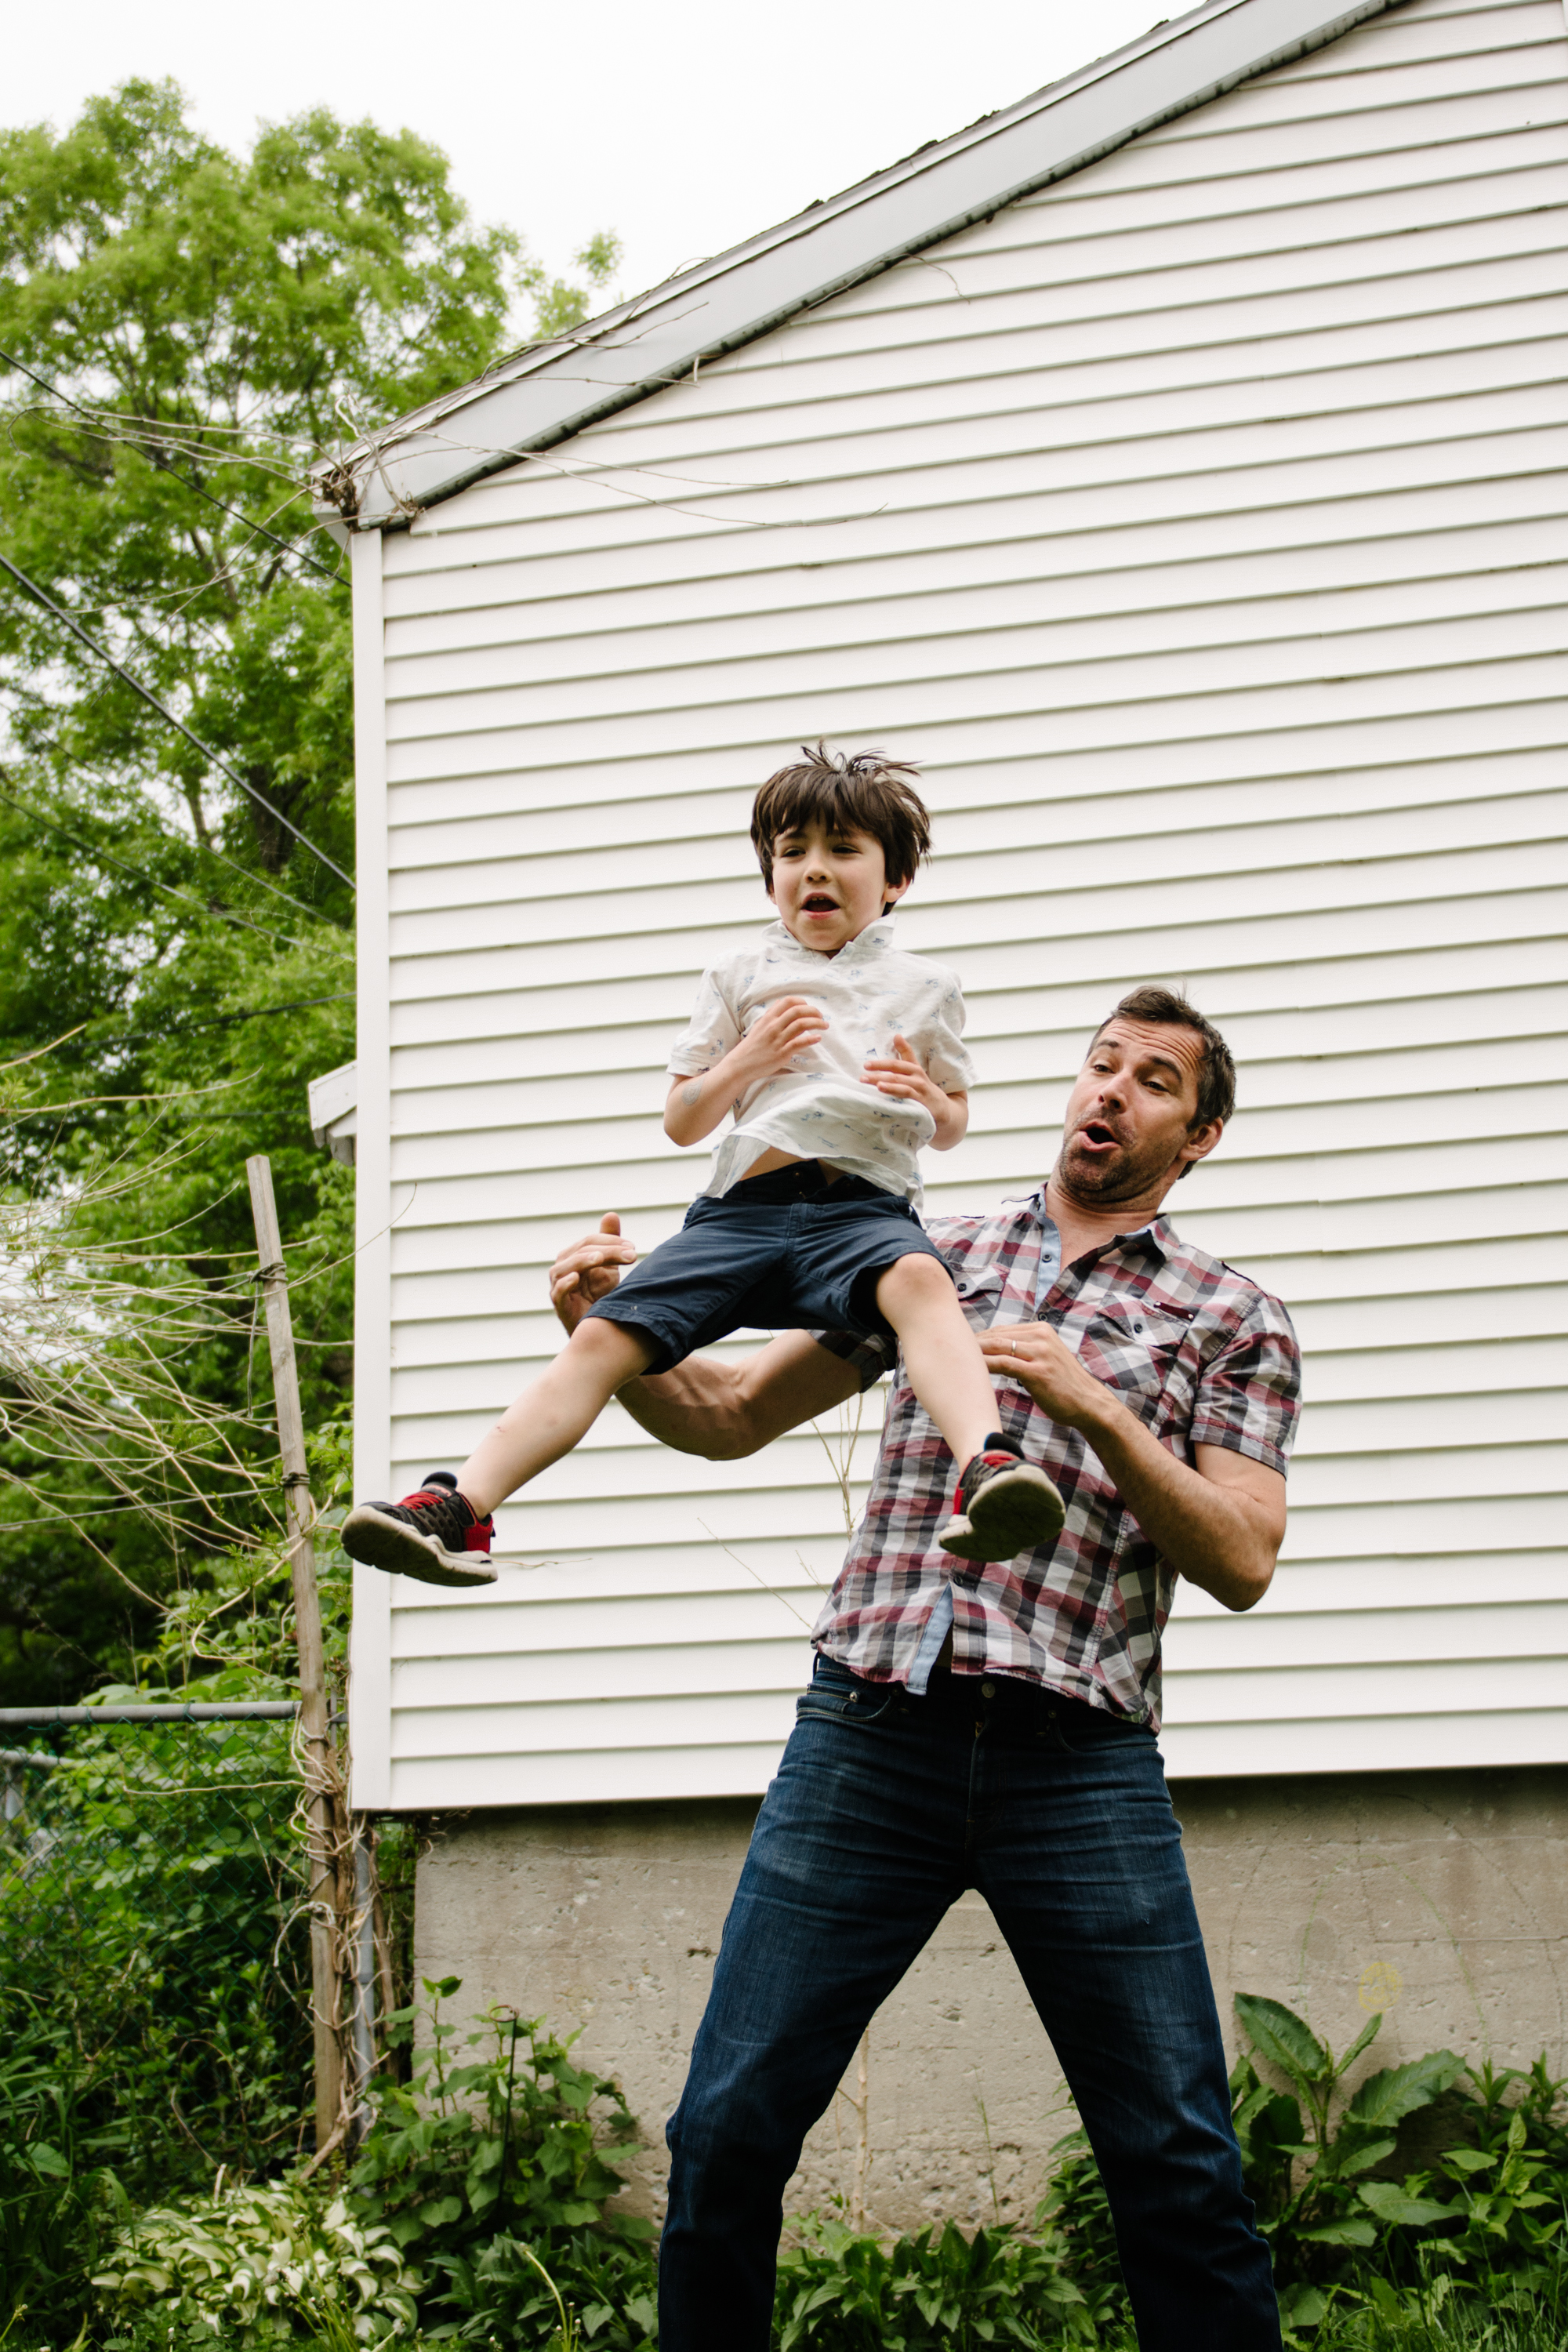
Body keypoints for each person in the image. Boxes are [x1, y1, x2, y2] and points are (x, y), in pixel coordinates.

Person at [546, 984, 1301, 2352]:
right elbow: (727, 1416)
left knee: (1180, 2165)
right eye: (1100, 1067)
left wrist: (1099, 1409)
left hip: (1079, 1763)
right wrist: (609, 1341)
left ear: (1200, 1135)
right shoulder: (920, 1258)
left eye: (1153, 1082)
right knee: (725, 2133)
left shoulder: (1231, 1317)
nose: (1110, 1093)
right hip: (869, 1735)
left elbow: (1245, 1556)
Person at [343, 744, 1062, 1587]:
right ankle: (458, 1504)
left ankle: (987, 1467)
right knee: (603, 1333)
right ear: (769, 883)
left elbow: (949, 1125)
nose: (813, 871)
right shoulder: (739, 973)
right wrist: (746, 1062)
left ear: (893, 878)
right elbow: (683, 1119)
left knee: (919, 1285)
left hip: (861, 1212)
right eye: (792, 854)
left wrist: (930, 1101)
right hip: (743, 1210)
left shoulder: (926, 985)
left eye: (841, 851)